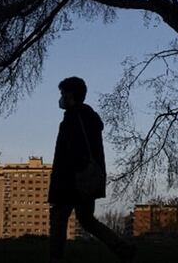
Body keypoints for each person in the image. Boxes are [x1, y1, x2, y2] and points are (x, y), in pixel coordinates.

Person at [48, 76, 135, 262]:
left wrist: (66, 179)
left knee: (58, 218)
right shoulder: (89, 118)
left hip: (71, 180)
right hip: (87, 179)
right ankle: (122, 248)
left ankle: (56, 258)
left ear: (70, 94)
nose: (61, 98)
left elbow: (71, 152)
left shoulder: (74, 118)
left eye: (63, 93)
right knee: (87, 219)